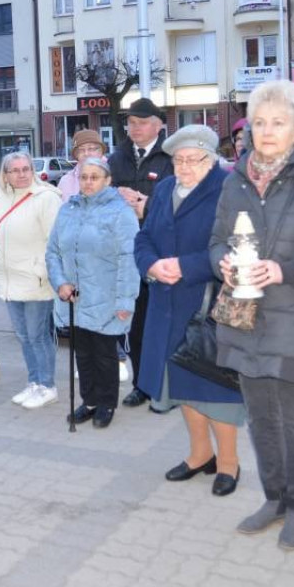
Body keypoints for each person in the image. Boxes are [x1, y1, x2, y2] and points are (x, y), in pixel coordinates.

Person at [209, 80, 294, 551]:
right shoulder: (234, 180)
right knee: (261, 419)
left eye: (278, 123)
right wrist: (222, 262)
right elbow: (216, 241)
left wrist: (284, 270)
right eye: (260, 122)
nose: (266, 131)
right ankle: (274, 498)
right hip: (244, 322)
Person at [135, 126, 243, 494]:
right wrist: (151, 264)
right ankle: (200, 455)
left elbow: (236, 245)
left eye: (191, 160)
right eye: (177, 160)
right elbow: (145, 236)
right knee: (181, 383)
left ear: (210, 160)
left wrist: (185, 265)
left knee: (215, 388)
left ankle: (229, 463)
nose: (182, 167)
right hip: (166, 303)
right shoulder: (164, 189)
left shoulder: (228, 189)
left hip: (209, 303)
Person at [47, 158, 139, 428]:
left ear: (107, 180)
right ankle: (88, 400)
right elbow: (52, 250)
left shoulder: (120, 213)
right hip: (74, 296)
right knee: (82, 352)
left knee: (104, 354)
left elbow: (129, 258)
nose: (88, 182)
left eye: (94, 177)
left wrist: (125, 300)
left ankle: (106, 403)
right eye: (84, 177)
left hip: (106, 296)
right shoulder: (68, 209)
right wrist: (60, 282)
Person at [107, 98, 173, 409]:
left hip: (163, 251)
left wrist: (146, 203)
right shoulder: (117, 157)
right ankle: (141, 385)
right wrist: (115, 195)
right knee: (136, 324)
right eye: (131, 122)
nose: (135, 128)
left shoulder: (171, 156)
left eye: (143, 122)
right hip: (128, 252)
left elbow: (181, 200)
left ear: (159, 125)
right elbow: (102, 197)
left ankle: (171, 385)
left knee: (167, 323)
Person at [0, 152, 62, 409]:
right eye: (15, 170)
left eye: (25, 169)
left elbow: (55, 241)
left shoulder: (47, 198)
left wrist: (42, 270)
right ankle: (34, 382)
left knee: (38, 335)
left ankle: (47, 385)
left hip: (35, 279)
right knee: (22, 335)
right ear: (5, 174)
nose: (21, 174)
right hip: (8, 279)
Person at [57, 129, 106, 202]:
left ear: (100, 152)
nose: (86, 153)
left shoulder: (116, 174)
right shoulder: (66, 182)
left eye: (91, 148)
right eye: (81, 150)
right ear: (76, 155)